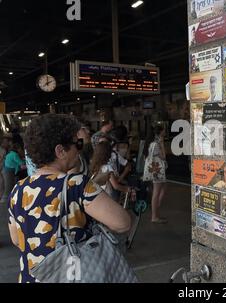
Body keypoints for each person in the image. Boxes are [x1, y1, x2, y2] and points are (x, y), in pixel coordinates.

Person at [7, 113, 131, 283]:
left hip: (32, 277)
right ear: (60, 151)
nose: (79, 149)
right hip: (73, 275)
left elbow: (16, 239)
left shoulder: (18, 189)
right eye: (77, 144)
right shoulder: (77, 184)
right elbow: (122, 223)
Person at [143, 124, 168, 224]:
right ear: (160, 132)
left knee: (162, 188)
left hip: (154, 170)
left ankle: (156, 210)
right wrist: (162, 144)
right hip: (157, 171)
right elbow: (163, 157)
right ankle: (154, 216)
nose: (165, 132)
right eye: (164, 130)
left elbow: (145, 157)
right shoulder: (156, 144)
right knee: (156, 192)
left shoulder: (150, 143)